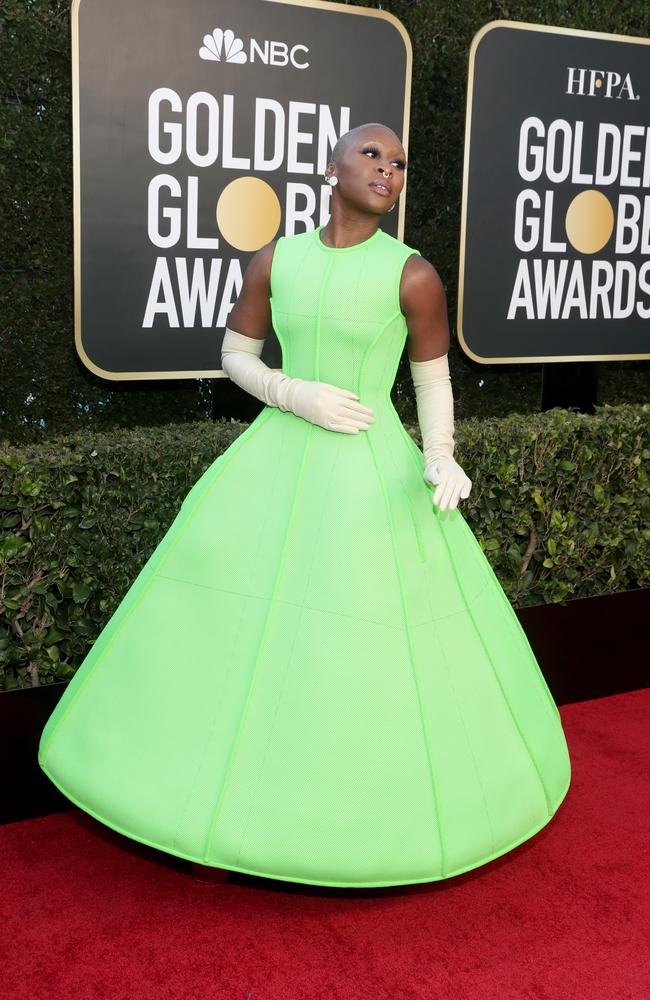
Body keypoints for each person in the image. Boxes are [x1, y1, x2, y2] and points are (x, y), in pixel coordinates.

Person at [38, 123, 571, 890]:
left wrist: (440, 454)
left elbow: (431, 378)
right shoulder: (275, 257)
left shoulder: (412, 274)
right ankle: (204, 805)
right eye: (371, 155)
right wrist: (295, 393)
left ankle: (352, 815)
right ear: (331, 166)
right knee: (236, 630)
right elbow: (234, 357)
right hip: (275, 456)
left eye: (398, 164)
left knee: (359, 644)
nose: (387, 170)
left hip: (371, 468)